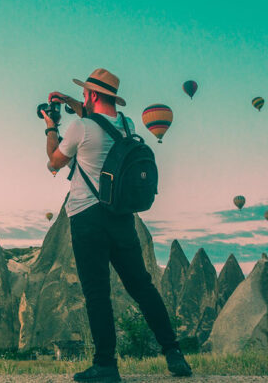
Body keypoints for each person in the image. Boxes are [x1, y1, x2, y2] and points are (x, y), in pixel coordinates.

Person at [42, 68, 192, 382]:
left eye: (85, 93)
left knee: (97, 293)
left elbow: (54, 162)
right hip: (123, 218)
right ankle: (173, 352)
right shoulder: (127, 125)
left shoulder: (79, 128)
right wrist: (69, 99)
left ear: (93, 95)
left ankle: (106, 366)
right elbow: (100, 120)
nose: (82, 98)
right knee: (142, 287)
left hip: (87, 217)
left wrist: (50, 128)